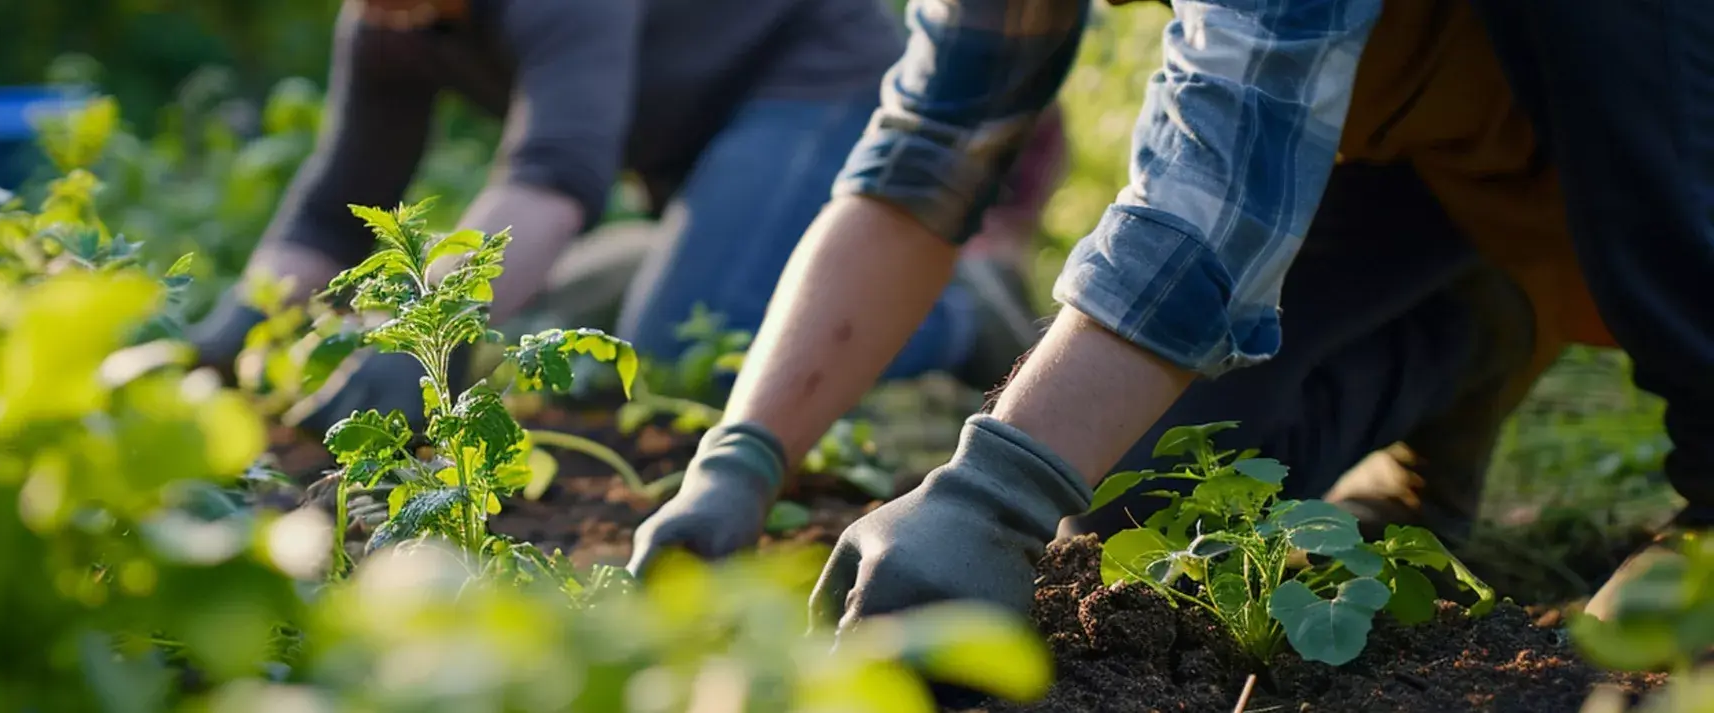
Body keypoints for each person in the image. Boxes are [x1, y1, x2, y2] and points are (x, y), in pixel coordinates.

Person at [625, 0, 1711, 637]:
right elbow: (928, 148)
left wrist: (993, 490)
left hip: (1648, 89)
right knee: (1127, 494)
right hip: (1435, 140)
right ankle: (1482, 325)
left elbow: (1214, 177)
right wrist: (740, 456)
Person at [185, 0, 1073, 437]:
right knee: (632, 318)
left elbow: (551, 178)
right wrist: (222, 336)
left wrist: (413, 338)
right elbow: (334, 206)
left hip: (820, 83)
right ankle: (701, 254)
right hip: (701, 139)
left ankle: (961, 303)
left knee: (698, 347)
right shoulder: (390, 20)